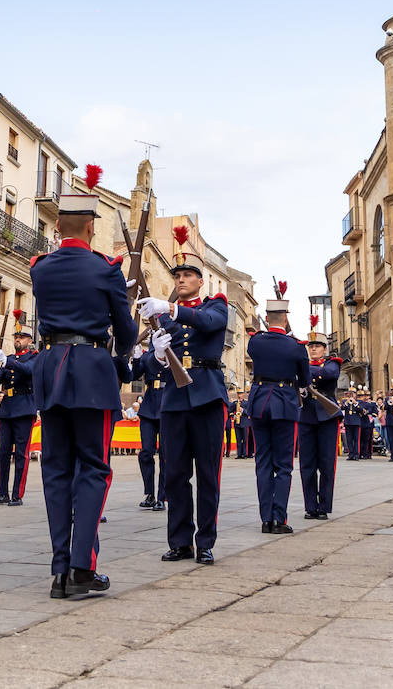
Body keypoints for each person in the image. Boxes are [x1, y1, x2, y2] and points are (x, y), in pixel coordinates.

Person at [29, 187, 136, 597]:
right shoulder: (106, 269)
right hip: (92, 369)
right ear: (92, 227)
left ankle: (59, 570)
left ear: (57, 227)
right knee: (93, 468)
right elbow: (125, 333)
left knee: (56, 470)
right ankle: (81, 569)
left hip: (51, 367)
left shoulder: (41, 268)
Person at [138, 232, 228, 567]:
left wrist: (173, 309)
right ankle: (180, 541)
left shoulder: (214, 305)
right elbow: (147, 364)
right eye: (177, 276)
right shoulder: (161, 319)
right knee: (174, 473)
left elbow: (209, 323)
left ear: (200, 281)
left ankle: (205, 541)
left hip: (206, 394)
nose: (181, 280)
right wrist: (158, 356)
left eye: (187, 275)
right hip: (174, 400)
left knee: (207, 474)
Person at [245, 298, 308, 535]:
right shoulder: (296, 346)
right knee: (283, 466)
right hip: (284, 404)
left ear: (267, 318)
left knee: (262, 463)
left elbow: (255, 353)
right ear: (286, 317)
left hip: (260, 402)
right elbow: (304, 381)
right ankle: (278, 518)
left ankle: (265, 519)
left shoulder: (256, 341)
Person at [0, 320, 38, 507]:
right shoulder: (8, 357)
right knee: (2, 453)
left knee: (21, 454)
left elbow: (28, 371)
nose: (18, 340)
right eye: (16, 337)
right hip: (7, 408)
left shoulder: (34, 356)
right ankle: (2, 493)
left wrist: (6, 361)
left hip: (24, 407)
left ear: (29, 340)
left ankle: (17, 493)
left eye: (22, 337)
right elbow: (0, 380)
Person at [299, 328, 340, 518]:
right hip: (306, 417)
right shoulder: (303, 363)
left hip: (327, 417)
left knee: (326, 463)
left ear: (324, 349)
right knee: (307, 464)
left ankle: (324, 506)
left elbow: (330, 374)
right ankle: (310, 506)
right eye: (311, 346)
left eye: (317, 346)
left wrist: (306, 373)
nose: (313, 349)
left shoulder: (333, 362)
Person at [134, 340, 168, 511]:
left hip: (167, 402)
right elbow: (134, 375)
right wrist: (136, 357)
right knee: (146, 452)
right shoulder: (147, 355)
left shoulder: (172, 351)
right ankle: (149, 493)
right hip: (149, 404)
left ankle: (162, 496)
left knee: (165, 454)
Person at [340, 389, 361, 460]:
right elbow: (341, 408)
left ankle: (356, 454)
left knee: (356, 439)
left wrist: (355, 403)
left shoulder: (359, 402)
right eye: (351, 393)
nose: (352, 395)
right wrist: (347, 402)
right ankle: (350, 454)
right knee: (349, 439)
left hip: (356, 423)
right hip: (348, 422)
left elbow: (361, 410)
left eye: (353, 393)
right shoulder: (345, 401)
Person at [232, 391, 249, 459]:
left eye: (241, 394)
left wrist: (242, 410)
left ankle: (244, 454)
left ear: (243, 394)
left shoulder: (246, 403)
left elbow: (249, 412)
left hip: (244, 423)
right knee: (238, 439)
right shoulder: (235, 403)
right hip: (237, 423)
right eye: (238, 394)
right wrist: (233, 416)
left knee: (245, 439)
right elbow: (230, 411)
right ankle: (239, 454)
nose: (240, 395)